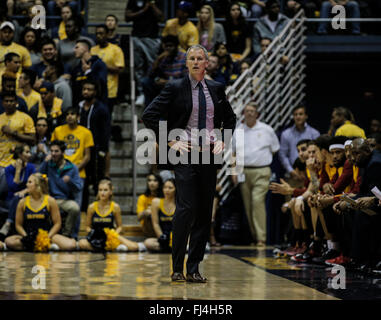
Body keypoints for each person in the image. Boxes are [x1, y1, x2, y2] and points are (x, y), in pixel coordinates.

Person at [142, 44, 236, 282]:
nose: (195, 62)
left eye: (200, 58)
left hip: (208, 154)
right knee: (185, 208)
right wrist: (170, 142)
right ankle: (176, 267)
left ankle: (193, 268)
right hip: (184, 152)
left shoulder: (216, 88)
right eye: (191, 58)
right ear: (186, 64)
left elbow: (230, 119)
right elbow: (149, 115)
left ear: (207, 63)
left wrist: (223, 140)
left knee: (205, 212)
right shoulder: (174, 87)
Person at [231, 102, 280, 246]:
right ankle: (255, 236)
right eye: (247, 111)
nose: (250, 113)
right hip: (244, 170)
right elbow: (233, 154)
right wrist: (234, 171)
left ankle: (261, 238)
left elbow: (275, 149)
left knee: (257, 201)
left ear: (257, 114)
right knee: (248, 205)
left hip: (262, 170)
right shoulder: (238, 130)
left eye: (252, 111)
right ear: (243, 114)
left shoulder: (267, 129)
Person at [4, 173, 77, 251]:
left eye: (30, 182)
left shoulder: (50, 201)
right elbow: (18, 225)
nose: (26, 184)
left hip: (48, 235)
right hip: (28, 235)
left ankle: (45, 245)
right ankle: (45, 247)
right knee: (9, 241)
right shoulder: (22, 202)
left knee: (71, 245)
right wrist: (27, 237)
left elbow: (57, 223)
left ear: (38, 185)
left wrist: (47, 237)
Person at [78, 179, 146, 252]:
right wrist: (93, 232)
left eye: (105, 190)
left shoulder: (115, 207)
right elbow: (87, 227)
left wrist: (113, 235)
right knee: (81, 243)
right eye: (100, 190)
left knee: (134, 247)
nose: (102, 193)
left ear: (110, 192)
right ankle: (113, 248)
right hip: (96, 237)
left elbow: (120, 227)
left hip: (110, 236)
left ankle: (109, 247)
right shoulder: (91, 207)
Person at [51, 107, 94, 219]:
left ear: (78, 117)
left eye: (73, 114)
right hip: (59, 173)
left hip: (78, 175)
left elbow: (87, 156)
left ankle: (74, 235)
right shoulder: (58, 130)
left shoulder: (86, 132)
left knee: (76, 208)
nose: (69, 116)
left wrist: (74, 170)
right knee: (58, 207)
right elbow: (53, 152)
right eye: (67, 114)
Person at [39, 139, 83, 238]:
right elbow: (37, 177)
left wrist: (70, 181)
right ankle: (45, 235)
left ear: (63, 153)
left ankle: (66, 235)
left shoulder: (72, 168)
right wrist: (44, 162)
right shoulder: (48, 164)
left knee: (75, 208)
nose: (53, 154)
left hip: (64, 200)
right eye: (52, 151)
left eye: (56, 151)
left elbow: (78, 188)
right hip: (49, 199)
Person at [78, 78, 111, 207]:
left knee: (98, 181)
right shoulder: (79, 107)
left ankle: (102, 211)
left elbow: (106, 131)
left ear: (95, 92)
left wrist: (103, 150)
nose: (86, 92)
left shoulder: (101, 108)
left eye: (89, 89)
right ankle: (84, 211)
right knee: (84, 182)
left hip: (97, 149)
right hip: (81, 150)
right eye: (84, 89)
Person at [125, 0, 164, 106]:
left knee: (153, 65)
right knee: (138, 66)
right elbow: (127, 17)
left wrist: (152, 5)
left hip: (151, 37)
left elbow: (161, 17)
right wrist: (143, 10)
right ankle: (141, 92)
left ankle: (153, 92)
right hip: (137, 36)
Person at [0, 144, 35, 240]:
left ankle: (8, 223)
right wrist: (18, 171)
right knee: (16, 198)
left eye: (30, 152)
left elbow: (35, 184)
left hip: (28, 197)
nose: (30, 155)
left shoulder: (31, 167)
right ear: (20, 154)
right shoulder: (9, 169)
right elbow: (12, 187)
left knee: (19, 197)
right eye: (27, 152)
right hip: (11, 198)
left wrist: (24, 191)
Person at [141, 35, 187, 107]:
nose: (168, 48)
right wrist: (158, 60)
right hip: (164, 86)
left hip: (178, 87)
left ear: (176, 46)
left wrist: (167, 82)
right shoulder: (163, 57)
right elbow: (150, 74)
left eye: (170, 46)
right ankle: (149, 113)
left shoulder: (184, 57)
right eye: (166, 46)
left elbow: (186, 80)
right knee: (145, 82)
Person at [90, 24, 125, 116]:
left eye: (101, 33)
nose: (98, 36)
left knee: (107, 116)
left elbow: (120, 69)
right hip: (95, 90)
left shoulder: (116, 49)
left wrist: (103, 66)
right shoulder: (92, 50)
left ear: (107, 34)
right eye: (97, 34)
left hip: (110, 89)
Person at [279, 105, 320, 179]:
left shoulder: (314, 133)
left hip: (311, 173)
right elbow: (282, 155)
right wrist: (291, 171)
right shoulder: (286, 134)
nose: (298, 117)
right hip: (293, 175)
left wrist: (311, 169)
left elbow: (317, 153)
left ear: (306, 116)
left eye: (300, 114)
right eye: (295, 114)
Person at [0, 91, 35, 168]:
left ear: (16, 102)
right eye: (6, 101)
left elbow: (33, 140)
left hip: (17, 161)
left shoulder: (26, 118)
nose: (9, 103)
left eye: (11, 101)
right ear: (3, 103)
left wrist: (13, 133)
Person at [71, 39, 108, 107]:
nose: (74, 50)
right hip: (80, 107)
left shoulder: (99, 64)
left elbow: (101, 84)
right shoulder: (76, 69)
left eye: (77, 47)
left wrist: (88, 72)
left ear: (85, 48)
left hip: (97, 107)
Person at [144, 179, 176, 252]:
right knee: (148, 243)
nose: (167, 190)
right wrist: (162, 237)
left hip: (176, 237)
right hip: (163, 235)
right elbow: (156, 224)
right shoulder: (156, 202)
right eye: (165, 187)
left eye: (170, 188)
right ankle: (170, 249)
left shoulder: (179, 204)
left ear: (176, 189)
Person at [136, 173, 164, 238]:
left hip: (162, 223)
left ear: (159, 183)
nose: (152, 183)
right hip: (148, 226)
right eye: (149, 180)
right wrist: (146, 212)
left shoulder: (164, 197)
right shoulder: (142, 197)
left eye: (155, 180)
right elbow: (139, 217)